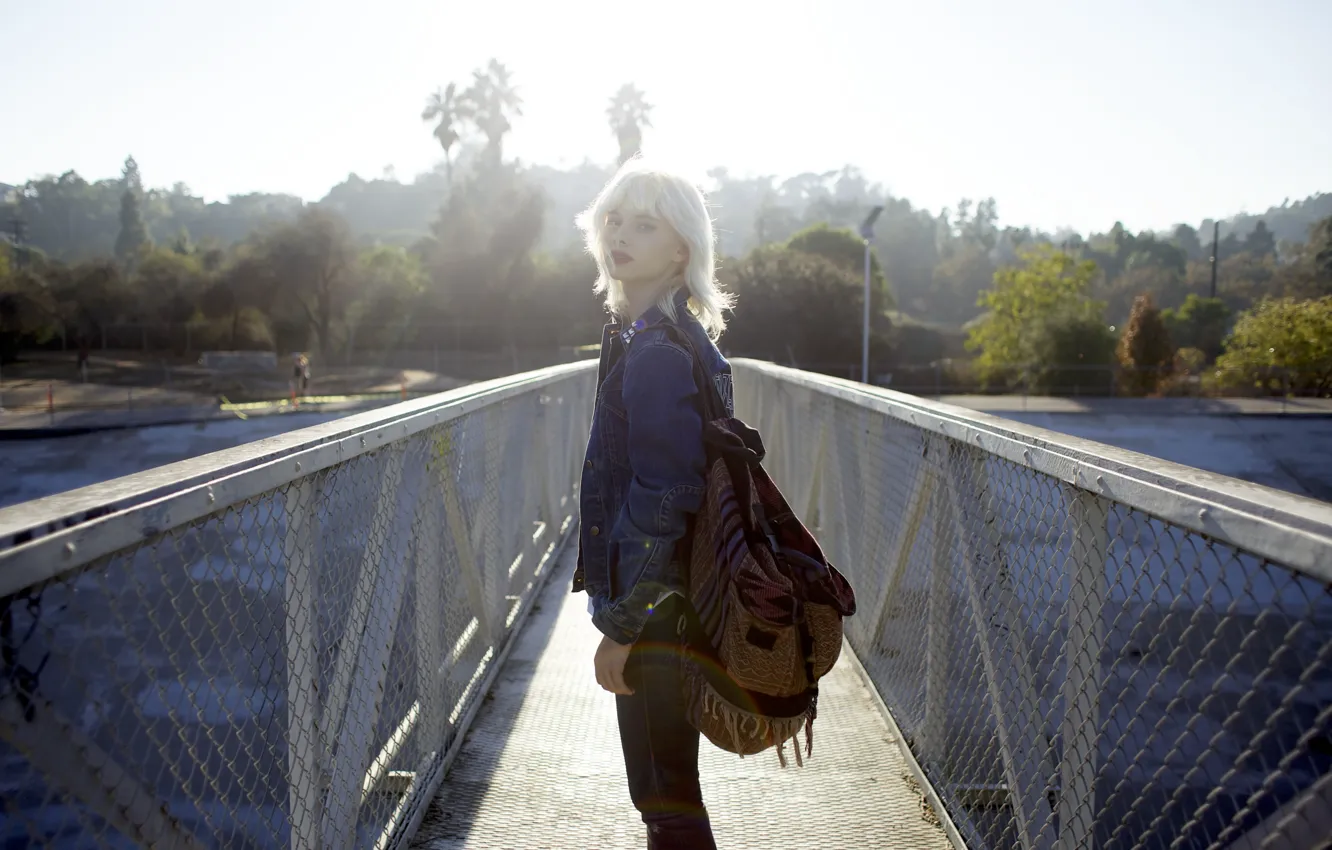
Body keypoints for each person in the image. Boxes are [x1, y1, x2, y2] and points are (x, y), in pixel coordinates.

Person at [570, 157, 734, 850]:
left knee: (666, 801)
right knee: (668, 794)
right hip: (674, 600)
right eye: (612, 218)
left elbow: (666, 494)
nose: (620, 235)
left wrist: (627, 627)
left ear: (681, 248)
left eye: (644, 223)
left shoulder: (657, 351)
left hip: (659, 611)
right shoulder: (656, 336)